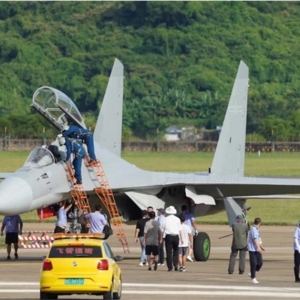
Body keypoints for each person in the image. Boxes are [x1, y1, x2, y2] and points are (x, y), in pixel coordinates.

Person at [161, 206, 183, 272]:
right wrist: (181, 238)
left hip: (168, 236)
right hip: (176, 236)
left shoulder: (165, 219)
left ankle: (170, 267)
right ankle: (175, 264)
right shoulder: (177, 219)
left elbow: (162, 229)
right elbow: (180, 230)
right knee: (176, 251)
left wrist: (161, 238)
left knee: (169, 252)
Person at [248, 217, 265, 284]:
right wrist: (258, 248)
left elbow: (258, 239)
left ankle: (252, 272)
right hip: (252, 249)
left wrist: (261, 246)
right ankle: (253, 278)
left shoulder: (257, 230)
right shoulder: (254, 230)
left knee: (260, 263)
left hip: (256, 249)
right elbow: (255, 239)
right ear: (259, 223)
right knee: (253, 263)